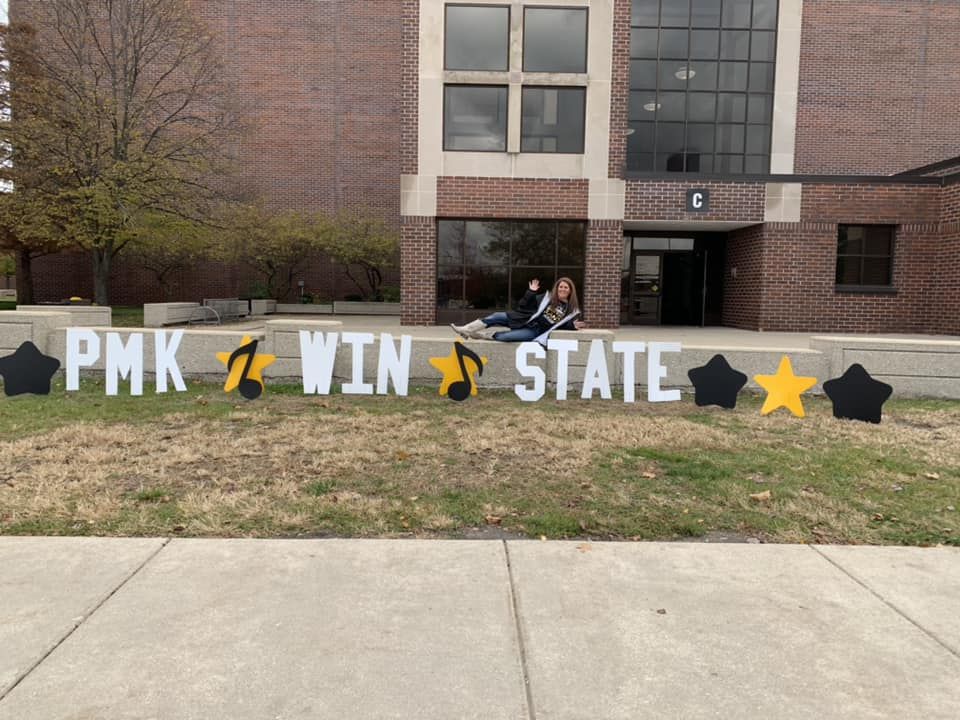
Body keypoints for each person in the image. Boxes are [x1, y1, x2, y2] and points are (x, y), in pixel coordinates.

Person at [451, 277, 586, 344]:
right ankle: (466, 329)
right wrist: (531, 292)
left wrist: (571, 326)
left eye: (565, 288)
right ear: (557, 288)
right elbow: (524, 305)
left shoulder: (571, 311)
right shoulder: (546, 298)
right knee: (497, 316)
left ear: (570, 291)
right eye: (560, 287)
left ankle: (476, 335)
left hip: (534, 330)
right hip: (524, 319)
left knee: (506, 337)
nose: (562, 289)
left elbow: (559, 326)